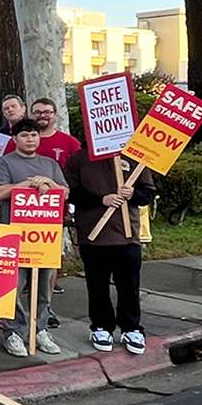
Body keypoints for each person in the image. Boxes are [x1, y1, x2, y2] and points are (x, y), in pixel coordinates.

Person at [0, 118, 68, 357]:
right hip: (14, 236)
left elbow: (64, 193)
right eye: (24, 135)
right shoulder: (4, 163)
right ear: (15, 139)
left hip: (45, 237)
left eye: (34, 135)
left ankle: (39, 329)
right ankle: (13, 332)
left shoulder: (50, 164)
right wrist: (26, 185)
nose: (30, 139)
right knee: (13, 288)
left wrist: (48, 183)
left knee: (43, 287)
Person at [65, 150, 156, 354]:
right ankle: (101, 326)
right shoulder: (79, 158)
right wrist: (101, 200)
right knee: (97, 285)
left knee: (129, 285)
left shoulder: (135, 157)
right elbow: (70, 191)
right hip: (93, 234)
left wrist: (133, 194)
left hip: (127, 233)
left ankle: (131, 328)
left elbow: (148, 192)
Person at [1, 97, 81, 169]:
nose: (42, 115)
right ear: (31, 115)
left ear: (55, 115)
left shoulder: (71, 143)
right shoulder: (16, 141)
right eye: (37, 112)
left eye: (47, 112)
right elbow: (4, 167)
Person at [0, 93, 27, 167]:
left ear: (23, 109)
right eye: (6, 108)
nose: (10, 110)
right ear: (4, 114)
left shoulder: (34, 131)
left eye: (13, 106)